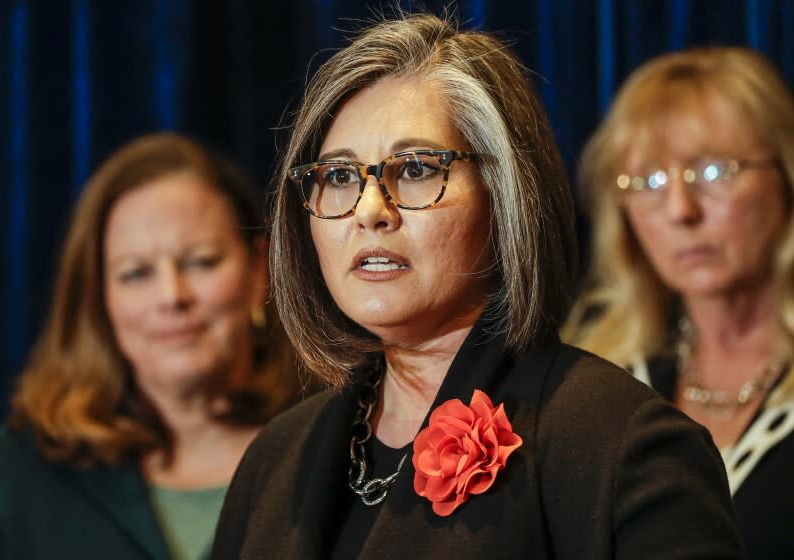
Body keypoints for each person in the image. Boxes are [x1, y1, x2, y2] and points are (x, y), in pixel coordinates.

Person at [211, 14, 743, 559]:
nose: (370, 211)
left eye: (417, 168)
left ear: (506, 194)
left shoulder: (623, 446)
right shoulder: (275, 460)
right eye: (340, 177)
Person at [0, 132, 299, 560]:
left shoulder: (337, 449)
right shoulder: (5, 477)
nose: (172, 296)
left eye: (202, 262)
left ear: (257, 272)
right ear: (99, 298)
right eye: (136, 273)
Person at [563, 47, 794, 558]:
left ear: (785, 176)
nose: (680, 210)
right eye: (648, 181)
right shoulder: (594, 379)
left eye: (714, 172)